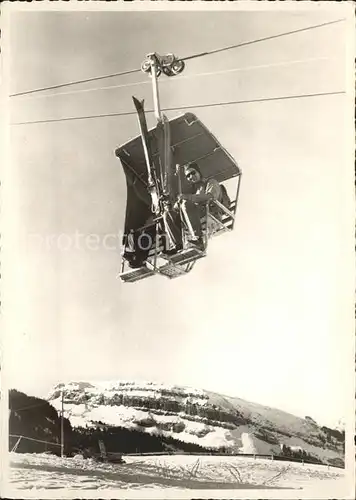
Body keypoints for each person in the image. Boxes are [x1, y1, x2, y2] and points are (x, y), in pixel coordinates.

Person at [177, 162, 231, 251]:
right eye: (188, 176)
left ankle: (198, 240)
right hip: (198, 215)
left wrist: (188, 197)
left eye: (193, 173)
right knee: (169, 214)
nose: (191, 177)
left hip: (211, 214)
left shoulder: (211, 182)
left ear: (199, 172)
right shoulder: (196, 190)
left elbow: (210, 197)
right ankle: (177, 245)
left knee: (186, 203)